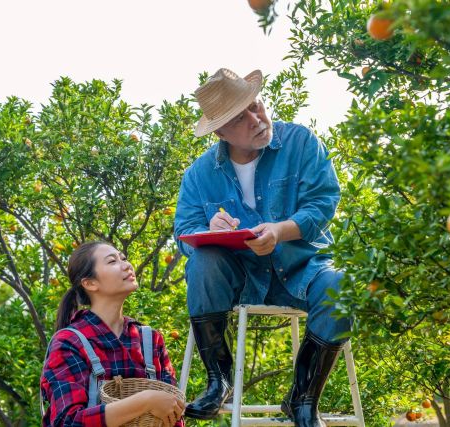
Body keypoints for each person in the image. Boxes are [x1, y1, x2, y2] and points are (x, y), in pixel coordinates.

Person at [174, 68, 352, 426]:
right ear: (221, 132)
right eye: (242, 118)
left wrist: (281, 231)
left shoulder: (301, 142)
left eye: (257, 106)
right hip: (242, 279)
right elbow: (184, 231)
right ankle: (218, 380)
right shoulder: (199, 173)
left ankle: (302, 400)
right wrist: (209, 228)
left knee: (343, 286)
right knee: (203, 261)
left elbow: (323, 202)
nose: (257, 120)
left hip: (305, 269)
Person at [40, 241, 185, 427]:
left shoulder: (150, 340)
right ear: (90, 283)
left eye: (123, 258)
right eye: (112, 261)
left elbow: (173, 413)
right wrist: (145, 401)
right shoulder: (69, 342)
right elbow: (67, 421)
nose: (126, 265)